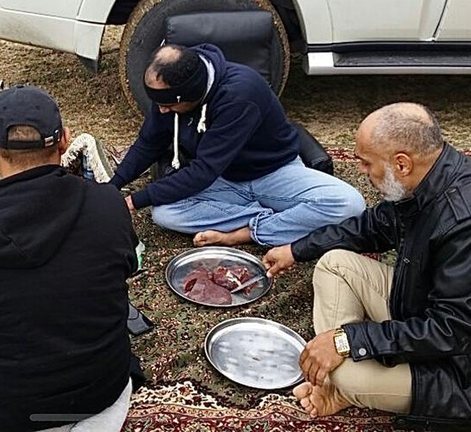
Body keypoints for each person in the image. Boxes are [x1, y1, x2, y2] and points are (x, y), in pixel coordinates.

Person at [0, 85, 140, 432]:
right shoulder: (109, 204)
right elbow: (128, 269)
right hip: (103, 395)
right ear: (64, 139)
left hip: (9, 412)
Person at [262, 102, 471, 428]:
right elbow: (372, 227)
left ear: (401, 163)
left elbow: (451, 332)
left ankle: (342, 385)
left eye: (366, 163)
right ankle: (338, 377)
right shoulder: (428, 179)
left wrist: (348, 341)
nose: (361, 170)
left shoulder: (462, 222)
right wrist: (296, 249)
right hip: (422, 310)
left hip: (456, 369)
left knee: (347, 372)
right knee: (334, 264)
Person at [109, 43, 365, 247]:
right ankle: (273, 216)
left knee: (350, 204)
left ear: (193, 92)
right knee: (165, 213)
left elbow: (203, 171)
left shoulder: (240, 93)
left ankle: (245, 232)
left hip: (273, 172)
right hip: (224, 178)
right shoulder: (170, 91)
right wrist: (112, 187)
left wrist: (132, 201)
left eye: (168, 105)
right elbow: (148, 143)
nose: (161, 111)